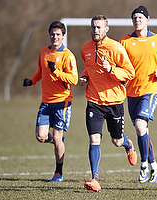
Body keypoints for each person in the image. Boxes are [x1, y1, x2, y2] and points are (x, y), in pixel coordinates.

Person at [79, 15, 137, 192]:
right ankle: (95, 179)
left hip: (115, 102)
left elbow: (130, 73)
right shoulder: (85, 48)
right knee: (94, 138)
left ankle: (128, 144)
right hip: (94, 101)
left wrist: (111, 69)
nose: (95, 30)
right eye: (93, 27)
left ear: (106, 29)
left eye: (99, 27)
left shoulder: (115, 48)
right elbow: (90, 68)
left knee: (116, 141)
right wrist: (84, 77)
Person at [120, 5, 157, 184]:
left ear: (148, 20)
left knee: (139, 126)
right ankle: (154, 165)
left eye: (140, 17)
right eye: (134, 17)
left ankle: (143, 165)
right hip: (131, 92)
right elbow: (119, 64)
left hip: (151, 90)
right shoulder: (125, 42)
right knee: (142, 131)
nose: (137, 20)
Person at [23, 21, 78, 182]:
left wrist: (57, 72)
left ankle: (58, 173)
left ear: (63, 36)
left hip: (62, 102)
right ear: (50, 35)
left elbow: (73, 79)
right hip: (46, 102)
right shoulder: (44, 52)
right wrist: (32, 81)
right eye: (53, 34)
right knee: (40, 137)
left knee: (57, 138)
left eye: (58, 34)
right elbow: (41, 71)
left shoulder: (68, 55)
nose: (55, 37)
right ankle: (57, 140)